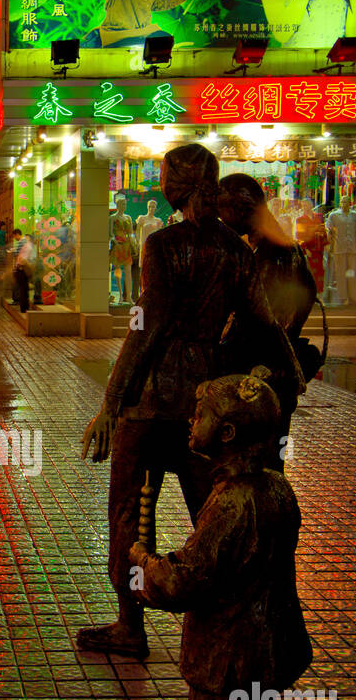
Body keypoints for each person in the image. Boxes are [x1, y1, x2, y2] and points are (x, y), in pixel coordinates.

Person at [78, 142, 306, 661]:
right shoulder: (234, 248)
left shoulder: (163, 244)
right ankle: (225, 608)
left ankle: (130, 624)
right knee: (212, 511)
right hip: (204, 403)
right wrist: (290, 370)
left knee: (130, 514)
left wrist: (112, 403)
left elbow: (146, 329)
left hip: (151, 401)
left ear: (173, 186)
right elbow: (265, 319)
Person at [130, 367, 313, 700]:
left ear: (227, 434)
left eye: (200, 413)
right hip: (268, 650)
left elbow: (189, 579)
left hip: (230, 656)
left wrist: (144, 567)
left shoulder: (233, 504)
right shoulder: (275, 489)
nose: (191, 420)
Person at [218, 173, 322, 450]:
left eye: (223, 211)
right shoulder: (268, 247)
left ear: (242, 208)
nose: (221, 220)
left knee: (259, 464)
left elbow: (266, 321)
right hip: (265, 374)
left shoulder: (275, 254)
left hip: (263, 379)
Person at [325, 196, 356, 306]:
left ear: (350, 203)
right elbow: (329, 232)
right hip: (339, 247)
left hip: (351, 246)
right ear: (340, 203)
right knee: (341, 273)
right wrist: (330, 246)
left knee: (352, 272)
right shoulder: (334, 215)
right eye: (342, 202)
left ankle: (354, 297)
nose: (344, 204)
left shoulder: (355, 215)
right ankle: (343, 297)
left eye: (346, 202)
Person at [12, 230, 34, 313]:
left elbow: (19, 257)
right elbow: (22, 260)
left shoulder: (25, 245)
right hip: (22, 269)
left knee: (23, 289)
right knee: (24, 289)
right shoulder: (27, 246)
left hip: (20, 269)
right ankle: (24, 308)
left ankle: (24, 307)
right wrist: (29, 266)